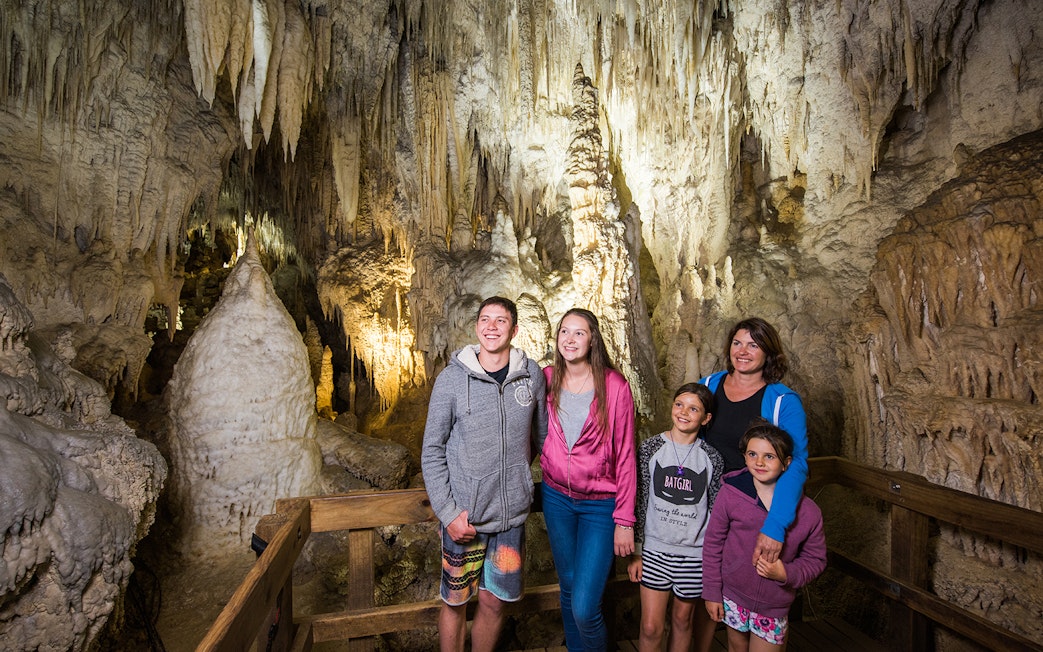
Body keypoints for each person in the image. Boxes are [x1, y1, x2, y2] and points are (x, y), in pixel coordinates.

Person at [421, 296, 548, 652]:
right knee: (455, 602)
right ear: (477, 326)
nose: (491, 326)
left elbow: (541, 436)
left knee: (494, 603)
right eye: (485, 319)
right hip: (466, 520)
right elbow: (432, 450)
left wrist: (518, 475)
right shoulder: (451, 380)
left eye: (501, 321)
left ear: (515, 329)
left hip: (510, 519)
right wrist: (448, 514)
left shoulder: (531, 375)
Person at [539, 308, 637, 651]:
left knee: (584, 604)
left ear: (592, 338)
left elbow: (626, 455)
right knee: (567, 590)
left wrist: (625, 520)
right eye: (565, 331)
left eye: (579, 332)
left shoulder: (614, 386)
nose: (570, 339)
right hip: (556, 499)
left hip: (600, 506)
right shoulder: (546, 378)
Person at [702, 422, 827, 651]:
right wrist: (711, 592)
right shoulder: (731, 493)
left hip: (774, 604)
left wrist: (786, 573)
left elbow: (816, 559)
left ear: (786, 463)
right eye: (752, 454)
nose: (759, 462)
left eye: (769, 456)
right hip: (732, 595)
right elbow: (713, 543)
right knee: (736, 647)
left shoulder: (808, 511)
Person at [699, 317, 808, 566]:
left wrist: (775, 526)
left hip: (751, 507)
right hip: (703, 504)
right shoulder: (707, 386)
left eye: (753, 345)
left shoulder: (784, 402)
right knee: (697, 582)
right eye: (737, 343)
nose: (743, 351)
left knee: (739, 580)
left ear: (768, 353)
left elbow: (797, 464)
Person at [627, 383, 725, 652]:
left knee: (683, 621)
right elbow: (640, 500)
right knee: (650, 626)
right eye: (679, 404)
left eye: (694, 409)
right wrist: (636, 553)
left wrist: (712, 559)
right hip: (654, 551)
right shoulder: (650, 448)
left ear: (705, 419)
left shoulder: (711, 458)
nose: (684, 412)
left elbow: (715, 509)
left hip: (694, 555)